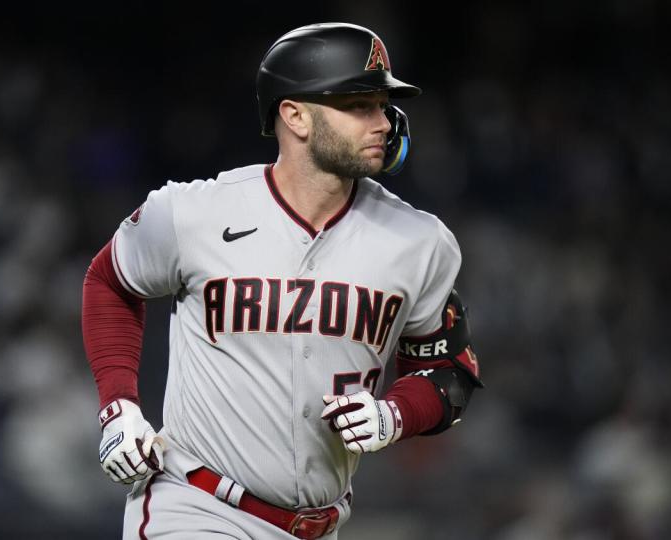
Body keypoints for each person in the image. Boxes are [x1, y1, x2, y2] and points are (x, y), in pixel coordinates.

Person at [81, 22, 484, 540]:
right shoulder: (193, 212)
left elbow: (448, 372)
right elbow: (110, 281)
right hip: (196, 506)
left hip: (320, 526)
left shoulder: (418, 241)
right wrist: (120, 407)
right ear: (295, 115)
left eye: (384, 105)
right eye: (360, 105)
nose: (382, 122)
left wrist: (394, 415)